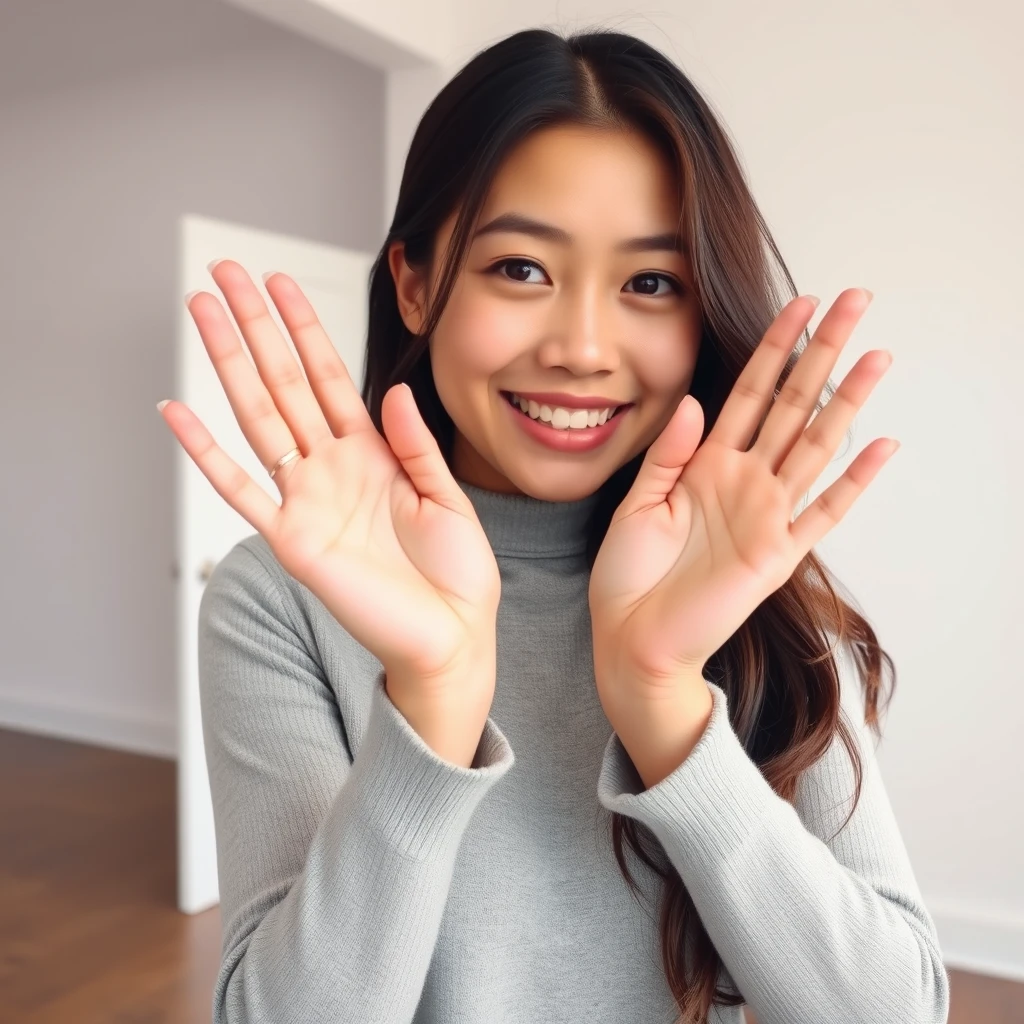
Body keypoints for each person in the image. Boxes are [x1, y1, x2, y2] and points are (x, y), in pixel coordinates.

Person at [157, 26, 950, 1024]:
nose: (581, 348)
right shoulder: (278, 598)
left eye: (649, 283)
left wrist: (663, 703)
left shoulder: (747, 580)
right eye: (521, 269)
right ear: (414, 282)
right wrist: (435, 697)